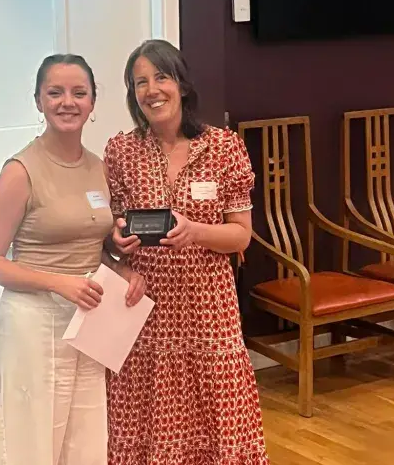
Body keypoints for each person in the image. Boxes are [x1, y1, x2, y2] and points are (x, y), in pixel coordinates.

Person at [103, 39, 270, 464]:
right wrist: (116, 243)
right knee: (143, 420)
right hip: (143, 310)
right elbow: (109, 232)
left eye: (161, 77)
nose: (151, 90)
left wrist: (194, 230)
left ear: (181, 83)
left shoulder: (223, 148)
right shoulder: (121, 152)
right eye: (140, 82)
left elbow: (241, 237)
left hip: (208, 309)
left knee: (215, 420)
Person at [0, 53, 146, 465]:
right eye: (55, 93)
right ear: (38, 101)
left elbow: (94, 245)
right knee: (30, 444)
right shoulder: (21, 170)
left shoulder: (97, 168)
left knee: (86, 441)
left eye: (78, 93)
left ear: (92, 102)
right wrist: (59, 282)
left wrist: (122, 269)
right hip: (34, 323)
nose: (67, 102)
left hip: (89, 320)